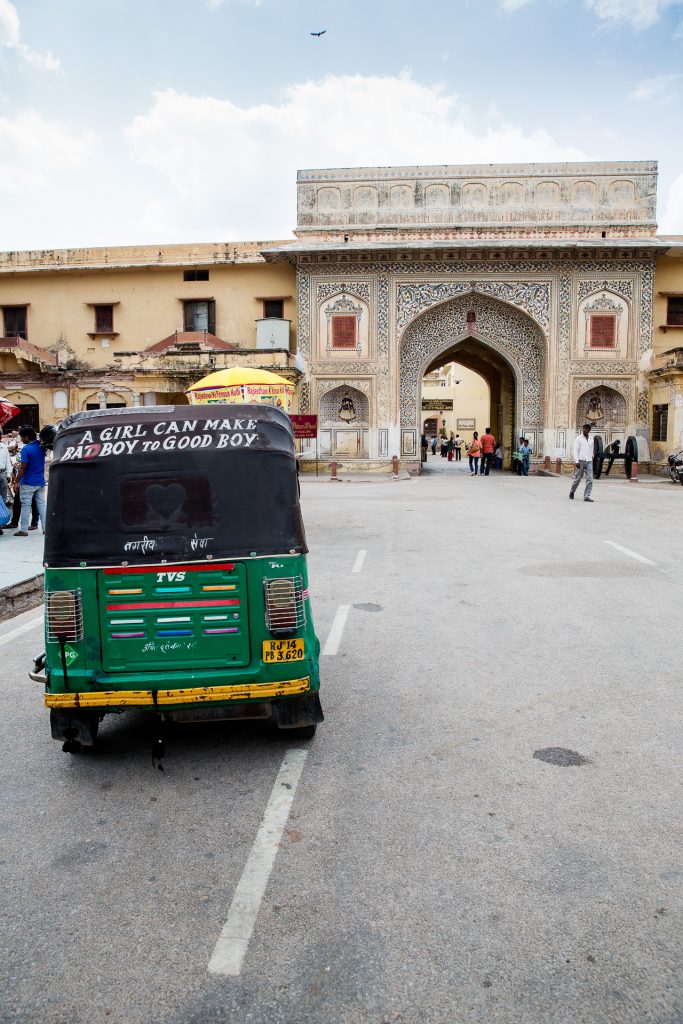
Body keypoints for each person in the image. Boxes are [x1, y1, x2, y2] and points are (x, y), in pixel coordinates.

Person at [15, 425, 47, 536]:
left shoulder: (26, 449)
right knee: (41, 505)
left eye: (22, 437)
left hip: (28, 481)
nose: (21, 439)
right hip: (40, 481)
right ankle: (46, 529)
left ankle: (23, 530)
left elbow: (23, 468)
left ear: (27, 437)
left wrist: (16, 480)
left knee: (25, 505)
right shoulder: (41, 446)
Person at [569, 423, 595, 502]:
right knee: (578, 479)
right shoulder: (578, 438)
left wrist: (592, 457)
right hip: (580, 461)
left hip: (589, 461)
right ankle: (572, 491)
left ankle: (586, 496)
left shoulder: (591, 439)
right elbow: (575, 450)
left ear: (589, 430)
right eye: (583, 428)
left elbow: (591, 449)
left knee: (590, 479)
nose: (584, 430)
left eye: (586, 429)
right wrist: (576, 461)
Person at [0, 428, 12, 536]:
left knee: (3, 499)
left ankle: (0, 523)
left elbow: (8, 462)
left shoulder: (4, 448)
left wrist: (8, 475)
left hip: (2, 474)